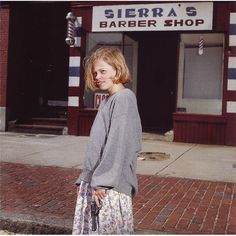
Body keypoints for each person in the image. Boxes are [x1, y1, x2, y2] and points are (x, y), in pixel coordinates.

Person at [72, 47, 142, 235]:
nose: (97, 76)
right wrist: (85, 178)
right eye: (95, 73)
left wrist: (102, 181)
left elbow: (118, 145)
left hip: (109, 185)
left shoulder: (123, 99)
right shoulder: (109, 100)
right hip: (98, 181)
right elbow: (98, 145)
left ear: (117, 70)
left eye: (103, 71)